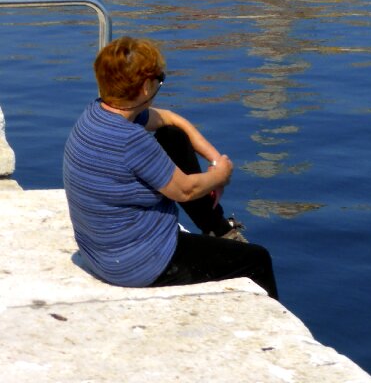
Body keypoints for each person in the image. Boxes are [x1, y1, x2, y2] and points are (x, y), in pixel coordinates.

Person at [63, 36, 278, 297]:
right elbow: (185, 190)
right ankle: (273, 338)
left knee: (172, 136)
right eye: (159, 80)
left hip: (100, 252)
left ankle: (217, 228)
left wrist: (213, 160)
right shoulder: (132, 141)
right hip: (139, 262)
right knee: (257, 260)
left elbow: (169, 119)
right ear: (145, 87)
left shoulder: (96, 114)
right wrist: (221, 174)